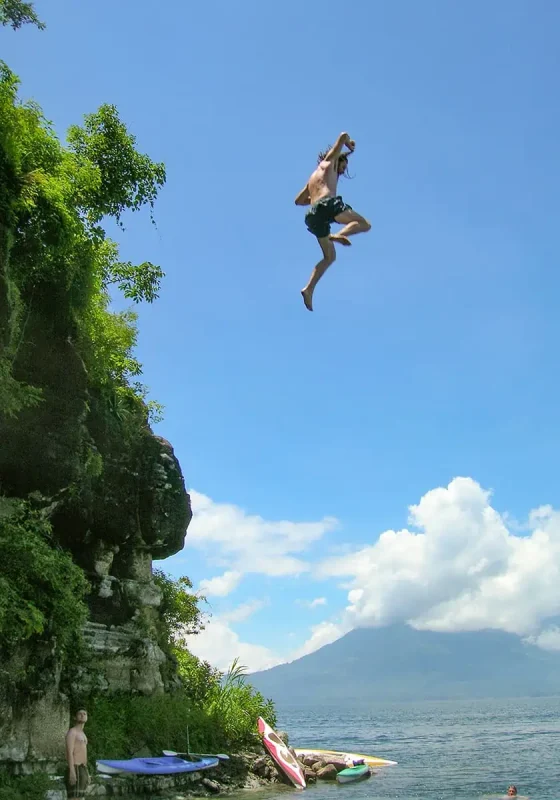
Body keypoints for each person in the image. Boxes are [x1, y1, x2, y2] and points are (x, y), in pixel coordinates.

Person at [295, 131, 371, 311]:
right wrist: (349, 144)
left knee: (330, 256)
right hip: (328, 204)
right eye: (343, 166)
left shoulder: (312, 178)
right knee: (364, 224)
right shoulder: (329, 161)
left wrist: (313, 198)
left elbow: (298, 201)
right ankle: (338, 235)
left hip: (312, 216)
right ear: (338, 159)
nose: (343, 171)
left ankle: (309, 289)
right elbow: (343, 135)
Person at [65, 709, 89, 798]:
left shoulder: (83, 734)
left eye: (85, 714)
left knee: (80, 797)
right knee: (74, 797)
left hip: (82, 768)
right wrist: (72, 771)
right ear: (75, 717)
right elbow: (69, 752)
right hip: (75, 767)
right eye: (80, 714)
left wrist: (87, 772)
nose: (82, 715)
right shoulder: (72, 732)